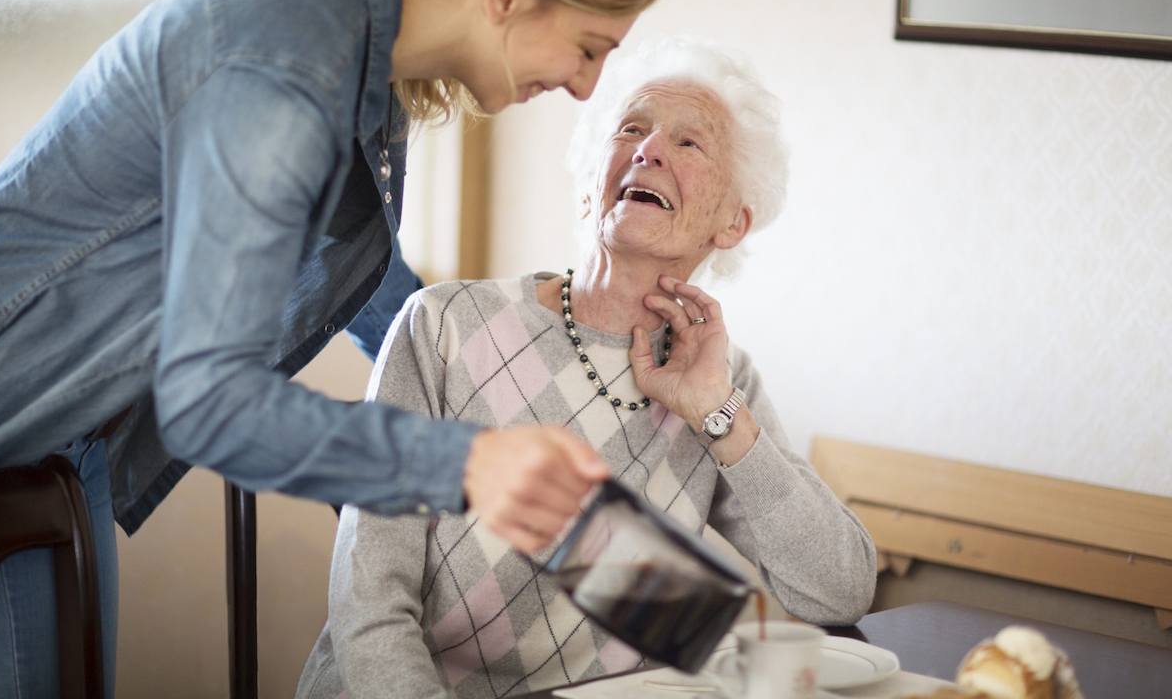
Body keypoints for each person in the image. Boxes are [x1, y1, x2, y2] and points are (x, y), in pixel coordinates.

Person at [0, 0, 664, 695]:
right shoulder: (289, 61)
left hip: (69, 443)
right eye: (588, 48)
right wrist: (469, 462)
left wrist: (491, 410)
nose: (587, 87)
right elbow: (209, 402)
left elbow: (370, 286)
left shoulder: (356, 28)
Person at [297, 37, 878, 699]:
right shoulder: (444, 325)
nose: (648, 148)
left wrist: (718, 416)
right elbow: (369, 598)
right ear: (588, 186)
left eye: (689, 144)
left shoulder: (721, 380)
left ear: (731, 222)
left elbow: (839, 590)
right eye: (631, 128)